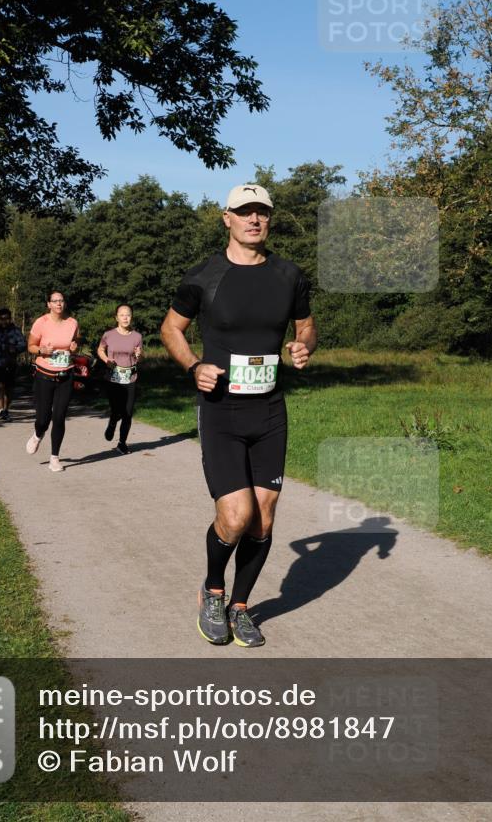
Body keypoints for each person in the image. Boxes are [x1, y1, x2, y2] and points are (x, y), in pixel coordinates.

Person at [161, 184, 317, 648]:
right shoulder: (203, 276)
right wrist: (193, 366)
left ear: (269, 220)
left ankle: (241, 606)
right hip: (221, 411)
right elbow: (171, 327)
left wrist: (303, 346)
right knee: (235, 516)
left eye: (262, 213)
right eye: (244, 212)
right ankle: (212, 590)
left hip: (269, 409)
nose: (254, 219)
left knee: (264, 521)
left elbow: (306, 325)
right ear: (226, 218)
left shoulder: (289, 275)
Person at [26, 291, 80, 472]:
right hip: (44, 375)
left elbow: (74, 343)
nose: (59, 304)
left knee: (59, 417)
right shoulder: (41, 323)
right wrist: (42, 351)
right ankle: (37, 434)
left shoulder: (72, 323)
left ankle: (54, 458)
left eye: (61, 301)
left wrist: (73, 348)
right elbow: (30, 346)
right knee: (43, 419)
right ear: (48, 304)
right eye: (55, 301)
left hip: (66, 375)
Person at [97, 304, 143, 455]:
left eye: (128, 314)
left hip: (130, 378)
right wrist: (106, 360)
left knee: (128, 413)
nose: (125, 317)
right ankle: (112, 422)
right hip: (113, 378)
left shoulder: (137, 336)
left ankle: (122, 443)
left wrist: (139, 355)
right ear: (116, 317)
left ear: (132, 317)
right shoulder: (108, 334)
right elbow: (100, 349)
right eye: (122, 315)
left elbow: (140, 357)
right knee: (117, 410)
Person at [0, 309, 26, 421]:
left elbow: (23, 344)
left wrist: (15, 348)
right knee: (0, 386)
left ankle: (6, 408)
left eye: (7, 318)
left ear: (10, 318)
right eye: (2, 319)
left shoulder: (15, 331)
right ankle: (1, 410)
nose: (4, 321)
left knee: (9, 388)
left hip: (10, 363)